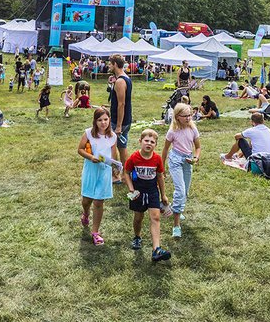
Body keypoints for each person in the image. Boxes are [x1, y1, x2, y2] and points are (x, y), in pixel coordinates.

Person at [123, 129, 171, 262]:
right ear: (140, 141)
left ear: (155, 145)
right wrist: (131, 189)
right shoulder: (134, 157)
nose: (149, 143)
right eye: (146, 141)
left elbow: (160, 176)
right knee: (138, 218)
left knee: (155, 217)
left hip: (152, 190)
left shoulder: (157, 159)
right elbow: (126, 172)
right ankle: (137, 237)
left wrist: (163, 195)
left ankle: (156, 249)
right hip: (138, 191)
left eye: (152, 142)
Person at [77, 107, 119, 246]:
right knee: (87, 199)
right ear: (95, 121)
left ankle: (95, 232)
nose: (103, 123)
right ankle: (85, 213)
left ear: (109, 120)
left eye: (106, 119)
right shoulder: (88, 133)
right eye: (100, 120)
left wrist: (115, 168)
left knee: (99, 202)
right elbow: (80, 149)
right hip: (91, 170)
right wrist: (91, 157)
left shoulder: (112, 136)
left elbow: (114, 154)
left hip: (104, 171)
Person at [162, 103, 201, 238]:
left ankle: (177, 208)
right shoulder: (172, 131)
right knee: (180, 190)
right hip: (175, 160)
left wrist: (195, 157)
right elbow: (165, 149)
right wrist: (161, 167)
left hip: (187, 160)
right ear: (177, 117)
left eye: (190, 115)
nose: (188, 118)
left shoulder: (193, 129)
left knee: (185, 191)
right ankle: (176, 225)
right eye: (185, 116)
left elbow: (198, 147)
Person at [109, 54, 133, 182]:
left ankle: (119, 175)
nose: (108, 66)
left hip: (120, 121)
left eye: (110, 63)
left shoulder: (120, 81)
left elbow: (121, 104)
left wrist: (118, 125)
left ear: (114, 64)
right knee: (121, 147)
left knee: (117, 148)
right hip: (125, 119)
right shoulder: (124, 78)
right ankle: (124, 174)